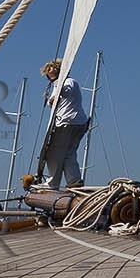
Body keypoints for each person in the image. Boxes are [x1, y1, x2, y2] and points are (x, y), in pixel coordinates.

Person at [40, 58, 89, 189]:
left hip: (67, 122)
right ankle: (74, 181)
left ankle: (52, 183)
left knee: (53, 153)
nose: (50, 70)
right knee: (68, 153)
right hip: (77, 122)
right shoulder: (59, 84)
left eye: (52, 68)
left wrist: (54, 96)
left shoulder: (68, 82)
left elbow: (66, 91)